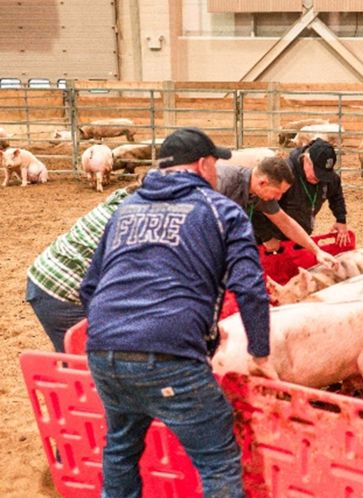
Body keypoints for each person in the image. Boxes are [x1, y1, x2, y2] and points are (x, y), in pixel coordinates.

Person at [80, 127, 276, 498]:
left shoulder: (126, 208)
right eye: (215, 164)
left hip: (105, 352)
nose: (217, 173)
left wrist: (113, 335)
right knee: (217, 459)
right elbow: (250, 289)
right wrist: (260, 351)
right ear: (203, 165)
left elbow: (90, 286)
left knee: (121, 450)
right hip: (171, 353)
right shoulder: (222, 212)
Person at [26, 181, 140, 352]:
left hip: (48, 276)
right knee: (86, 361)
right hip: (61, 290)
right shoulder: (138, 217)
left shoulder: (123, 197)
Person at [217, 153, 339, 267]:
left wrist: (317, 251)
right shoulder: (223, 183)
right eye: (277, 193)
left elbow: (286, 223)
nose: (279, 198)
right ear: (263, 182)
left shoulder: (259, 193)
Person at [250, 138, 350, 250]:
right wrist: (267, 237)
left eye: (323, 174)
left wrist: (341, 219)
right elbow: (258, 206)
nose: (319, 178)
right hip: (271, 240)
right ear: (306, 159)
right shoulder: (285, 175)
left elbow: (336, 192)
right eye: (316, 172)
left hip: (298, 238)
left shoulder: (326, 178)